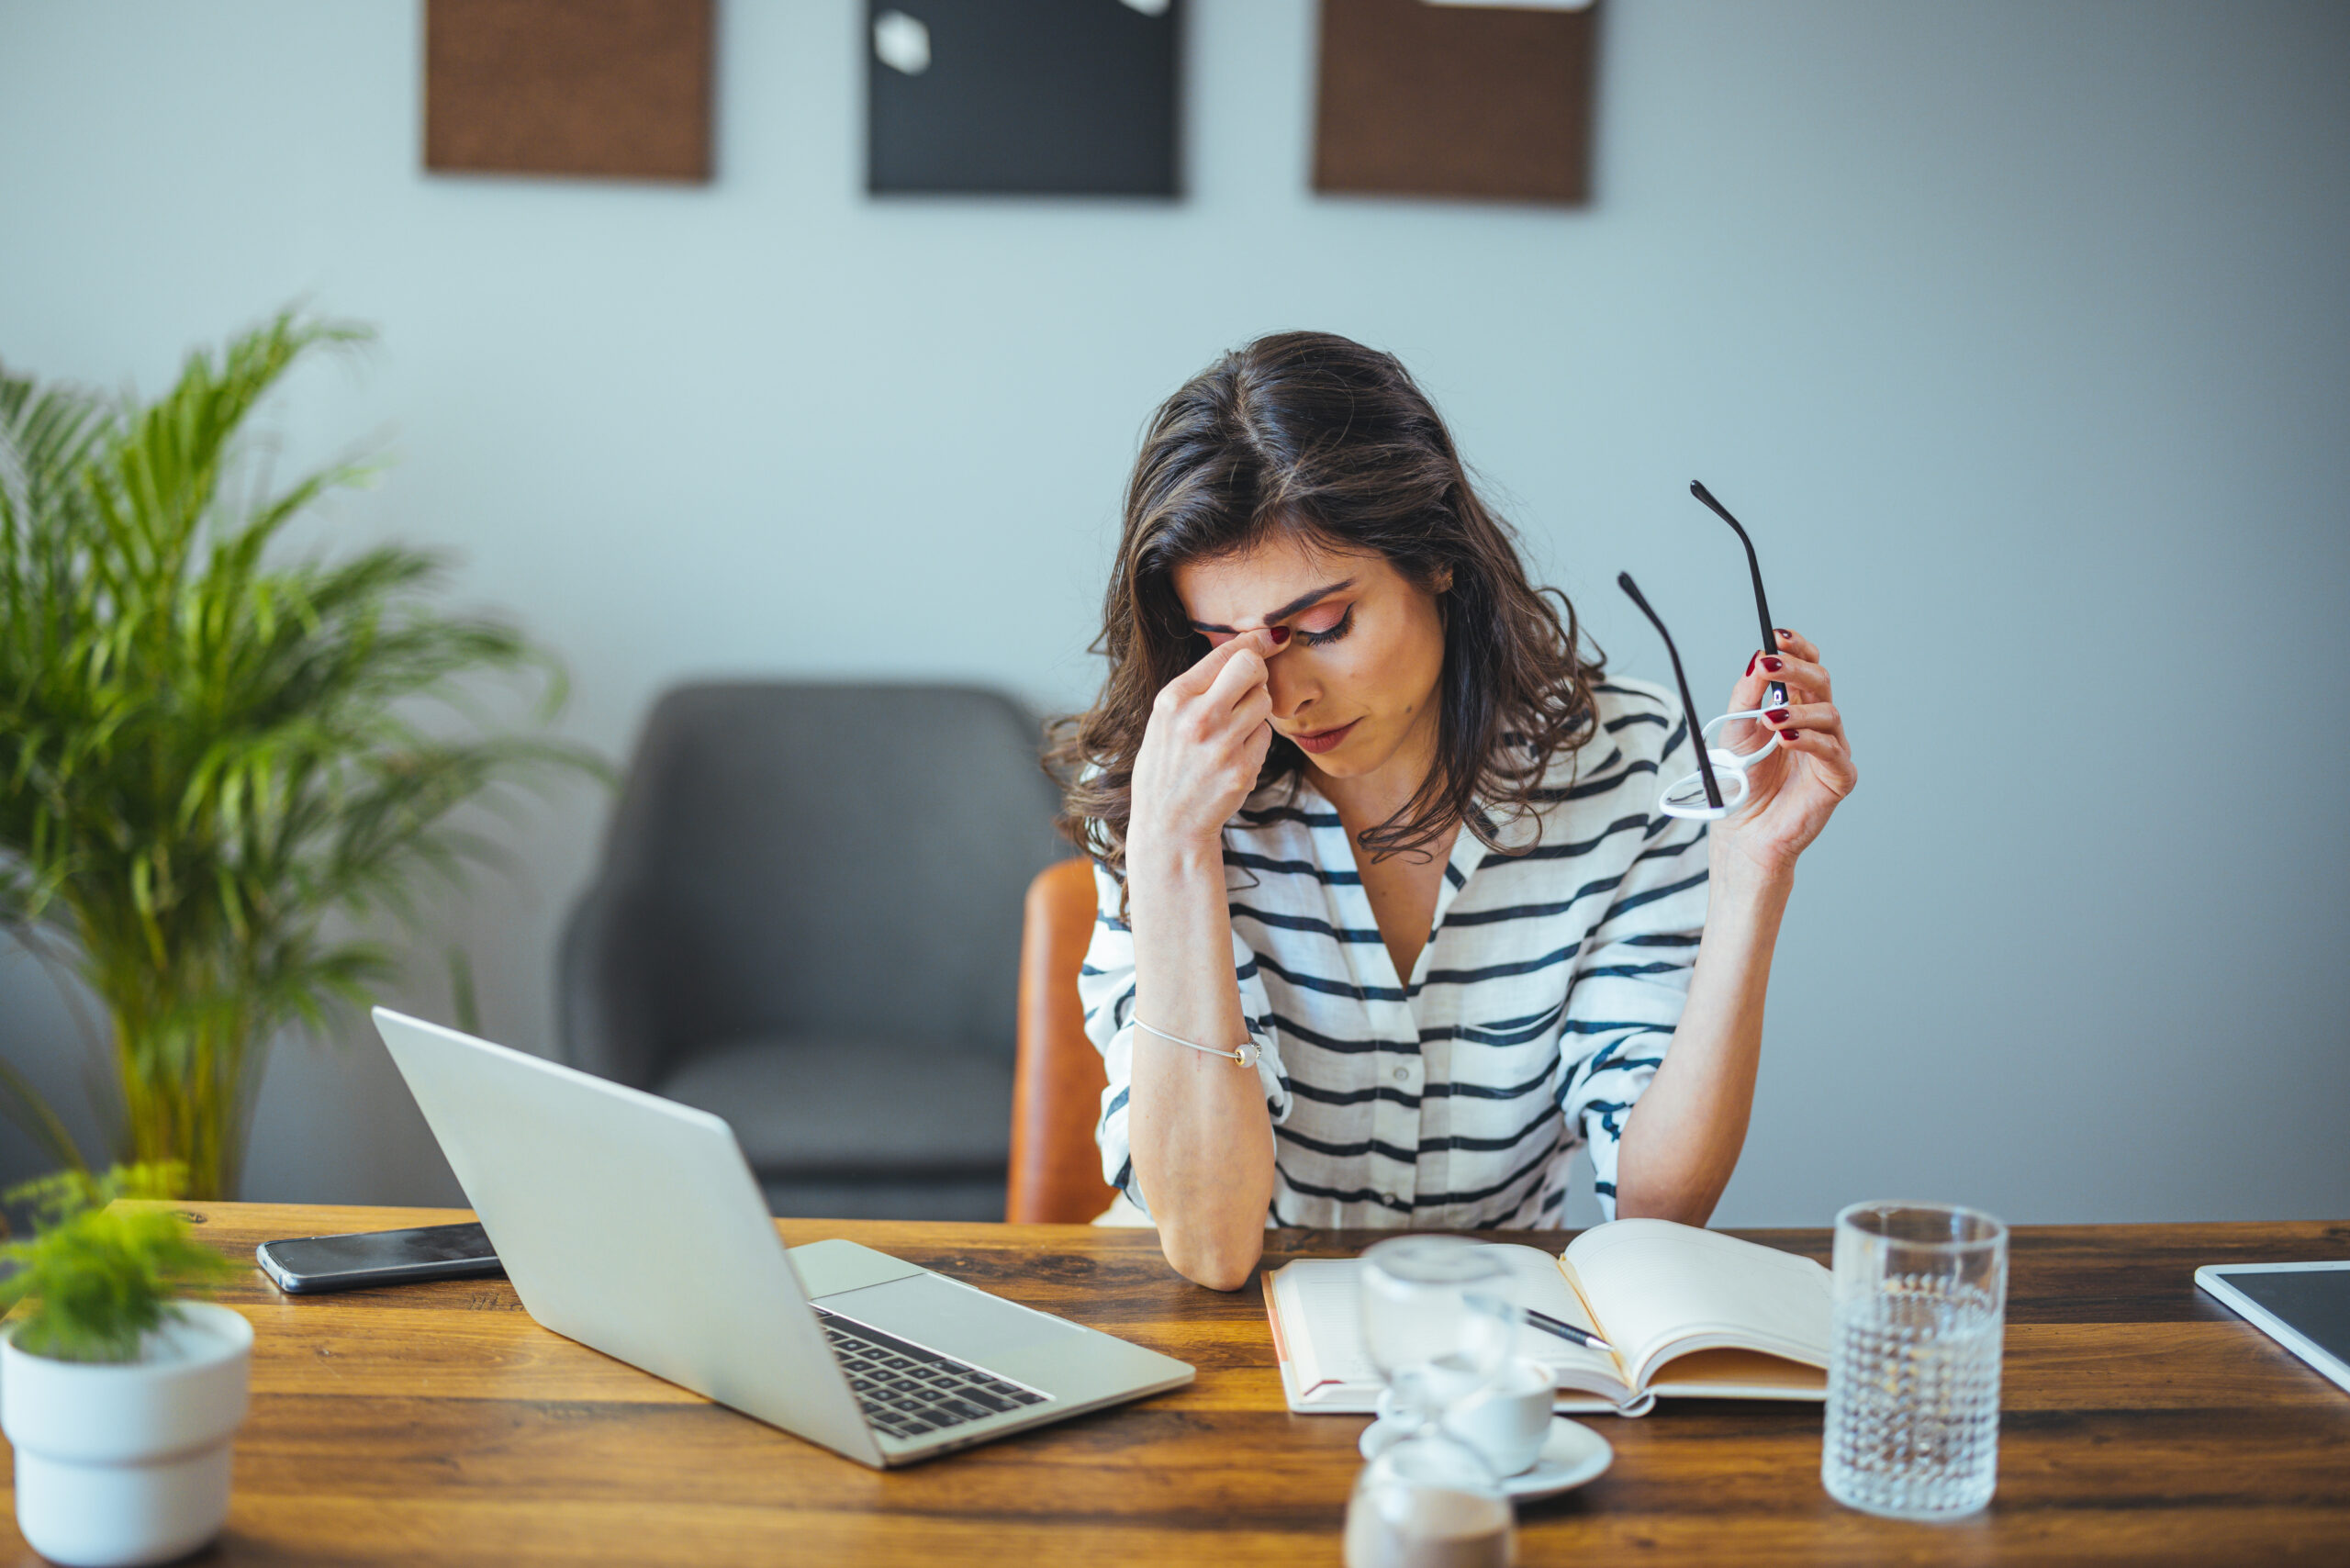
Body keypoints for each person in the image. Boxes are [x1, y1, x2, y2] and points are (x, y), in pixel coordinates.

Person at [1046, 332, 1856, 1291]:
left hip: (1496, 1348)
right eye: (1224, 643)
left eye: (1322, 628)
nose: (1283, 696)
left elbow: (1656, 1205)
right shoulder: (1163, 788)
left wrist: (1751, 876)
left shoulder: (1627, 765)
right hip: (1215, 1345)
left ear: (1435, 558)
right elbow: (1211, 1246)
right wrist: (1174, 849)